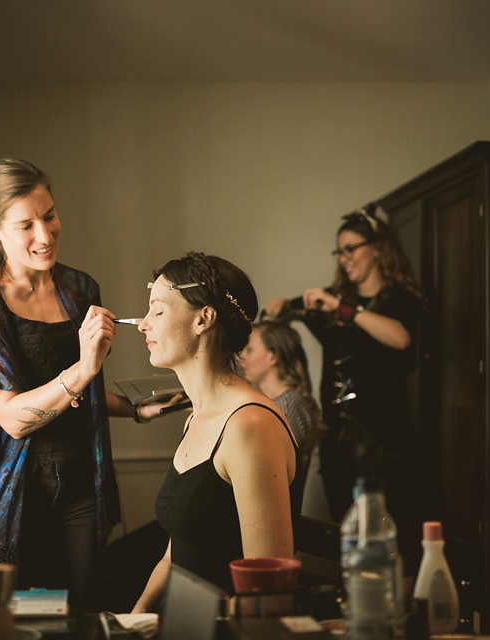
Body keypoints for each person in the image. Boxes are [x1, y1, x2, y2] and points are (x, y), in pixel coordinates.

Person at [0, 159, 173, 609]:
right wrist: (83, 369)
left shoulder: (79, 288)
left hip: (81, 487)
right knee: (17, 624)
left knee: (83, 612)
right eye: (26, 224)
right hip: (9, 499)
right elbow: (13, 418)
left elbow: (77, 397)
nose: (45, 235)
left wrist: (132, 408)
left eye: (49, 215)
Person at [131, 252, 303, 612]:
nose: (143, 324)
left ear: (203, 319)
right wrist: (133, 618)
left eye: (157, 311)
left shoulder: (249, 426)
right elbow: (175, 554)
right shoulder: (196, 418)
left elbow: (267, 593)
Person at [263, 205, 425, 569]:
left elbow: (401, 339)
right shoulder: (333, 306)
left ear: (379, 247)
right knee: (347, 541)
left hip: (385, 444)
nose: (345, 257)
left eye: (352, 247)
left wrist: (343, 307)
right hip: (339, 444)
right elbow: (293, 308)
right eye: (341, 250)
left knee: (393, 544)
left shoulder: (399, 300)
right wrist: (285, 307)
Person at [238, 320, 330, 521]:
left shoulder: (290, 406)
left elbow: (273, 476)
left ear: (273, 356)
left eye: (249, 350)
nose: (241, 356)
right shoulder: (270, 404)